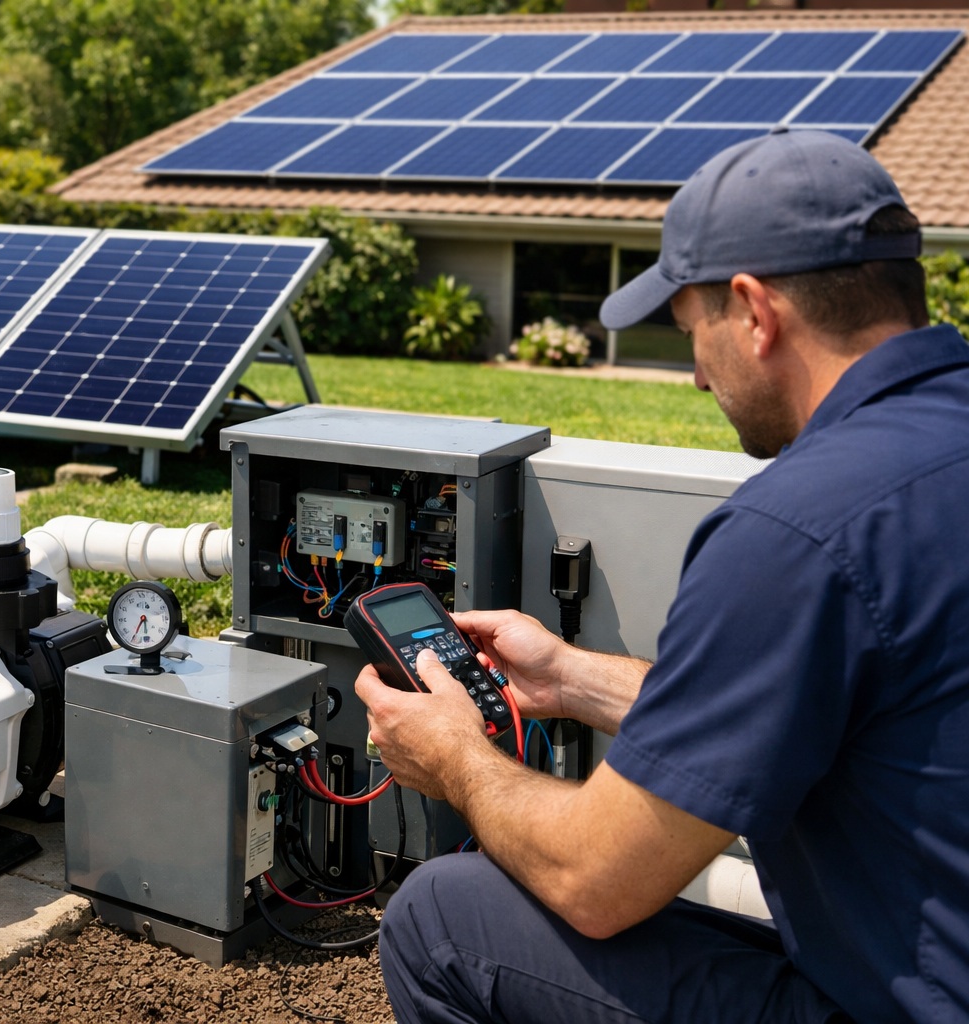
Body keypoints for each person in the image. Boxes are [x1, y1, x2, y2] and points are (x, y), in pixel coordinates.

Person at [357, 127, 969, 1024]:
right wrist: (568, 677)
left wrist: (455, 759)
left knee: (443, 917)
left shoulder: (795, 530)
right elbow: (796, 715)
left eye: (693, 330)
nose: (693, 375)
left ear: (755, 313)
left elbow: (596, 881)